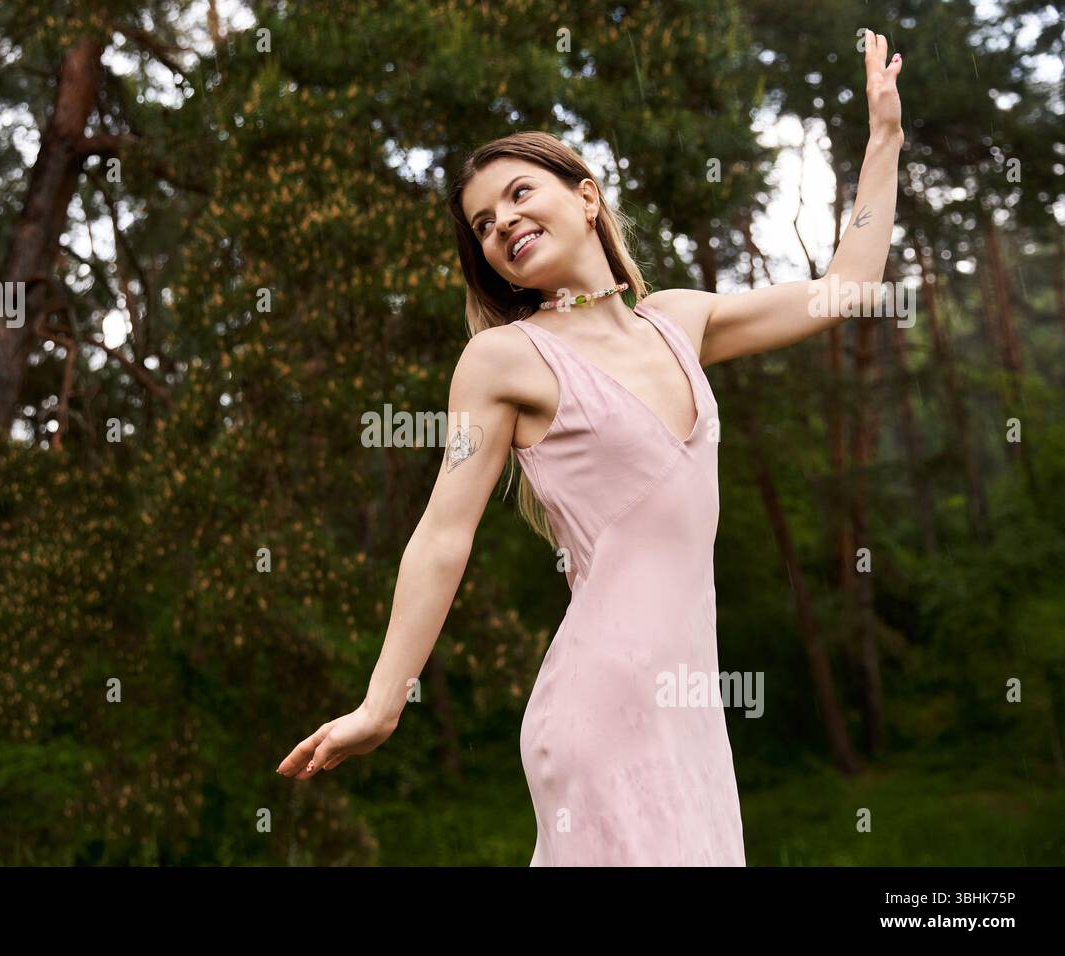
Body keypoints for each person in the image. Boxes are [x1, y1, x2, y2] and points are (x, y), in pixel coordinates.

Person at [277, 31, 903, 865]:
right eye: (484, 225)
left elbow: (848, 288)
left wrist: (885, 139)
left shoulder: (680, 320)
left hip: (689, 720)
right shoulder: (505, 361)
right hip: (601, 710)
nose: (503, 224)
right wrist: (381, 703)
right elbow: (442, 533)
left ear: (587, 197)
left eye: (519, 193)